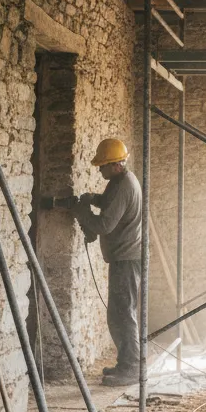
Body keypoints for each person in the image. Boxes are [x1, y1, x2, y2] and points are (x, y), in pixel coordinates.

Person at [75, 138, 143, 386]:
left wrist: (81, 212)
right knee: (118, 313)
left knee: (123, 314)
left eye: (102, 166)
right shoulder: (119, 181)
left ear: (115, 165)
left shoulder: (124, 185)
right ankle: (125, 363)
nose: (99, 170)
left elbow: (104, 225)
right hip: (124, 258)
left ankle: (132, 368)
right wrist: (93, 198)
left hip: (126, 259)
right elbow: (110, 204)